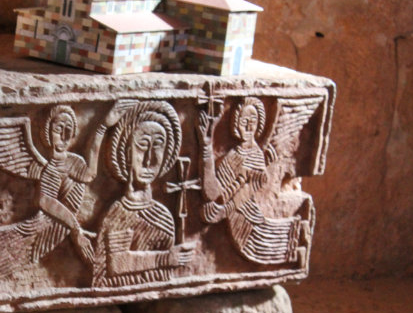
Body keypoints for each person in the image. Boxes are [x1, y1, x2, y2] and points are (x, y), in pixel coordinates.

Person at [0, 102, 132, 298]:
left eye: (69, 130)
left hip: (60, 228)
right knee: (4, 259)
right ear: (48, 133)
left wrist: (102, 127)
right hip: (44, 228)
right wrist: (75, 228)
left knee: (7, 259)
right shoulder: (50, 169)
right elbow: (44, 200)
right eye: (59, 129)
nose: (64, 136)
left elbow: (90, 174)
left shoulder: (75, 162)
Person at [92, 101, 194, 288]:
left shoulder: (161, 212)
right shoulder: (120, 213)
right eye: (142, 145)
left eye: (157, 146)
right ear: (127, 152)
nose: (149, 159)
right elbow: (117, 264)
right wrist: (166, 258)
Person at [196, 96, 306, 264]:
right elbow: (214, 193)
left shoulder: (255, 155)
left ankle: (299, 239)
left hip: (249, 220)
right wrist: (206, 147)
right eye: (244, 121)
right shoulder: (233, 156)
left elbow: (249, 189)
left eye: (253, 121)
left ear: (259, 125)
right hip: (235, 220)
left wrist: (222, 211)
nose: (248, 126)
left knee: (270, 245)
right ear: (236, 125)